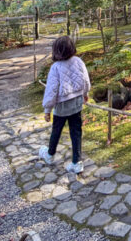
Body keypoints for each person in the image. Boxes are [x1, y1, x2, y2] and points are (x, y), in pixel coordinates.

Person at [38, 35, 91, 173]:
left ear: (56, 50)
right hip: (76, 103)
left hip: (61, 106)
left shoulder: (55, 67)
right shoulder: (78, 61)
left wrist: (47, 109)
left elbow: (51, 89)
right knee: (76, 132)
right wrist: (85, 94)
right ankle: (77, 162)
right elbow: (85, 80)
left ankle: (50, 155)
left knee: (56, 131)